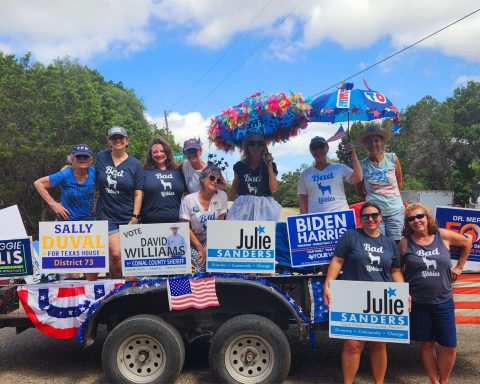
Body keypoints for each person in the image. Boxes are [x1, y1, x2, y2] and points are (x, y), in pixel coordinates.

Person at [324, 202, 404, 384]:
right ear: (361, 219)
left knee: (378, 344)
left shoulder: (389, 243)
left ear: (381, 217)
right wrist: (328, 285)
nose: (370, 219)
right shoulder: (351, 236)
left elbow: (395, 271)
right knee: (353, 344)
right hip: (353, 295)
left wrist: (402, 293)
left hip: (380, 298)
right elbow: (337, 261)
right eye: (366, 216)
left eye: (374, 215)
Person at [399, 203, 472, 384]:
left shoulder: (442, 234)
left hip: (443, 300)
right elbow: (398, 269)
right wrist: (402, 290)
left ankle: (444, 380)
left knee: (449, 346)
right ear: (407, 223)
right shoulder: (405, 242)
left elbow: (467, 242)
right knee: (426, 344)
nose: (416, 221)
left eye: (419, 216)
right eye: (411, 219)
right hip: (418, 302)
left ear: (427, 217)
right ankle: (434, 381)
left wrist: (460, 266)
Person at [94, 126, 144, 279]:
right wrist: (70, 169)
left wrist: (135, 216)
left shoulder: (135, 164)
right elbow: (91, 178)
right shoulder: (101, 157)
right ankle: (116, 289)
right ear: (109, 142)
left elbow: (138, 193)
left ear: (127, 141)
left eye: (121, 137)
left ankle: (126, 291)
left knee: (128, 261)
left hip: (128, 216)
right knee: (115, 254)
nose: (117, 140)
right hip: (107, 216)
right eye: (114, 138)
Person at [356, 124, 404, 241]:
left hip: (395, 211)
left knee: (395, 244)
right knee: (378, 244)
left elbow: (399, 184)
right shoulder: (361, 165)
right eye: (369, 141)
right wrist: (373, 200)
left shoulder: (392, 158)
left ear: (382, 142)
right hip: (374, 214)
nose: (373, 144)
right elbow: (360, 191)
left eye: (376, 140)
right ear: (365, 145)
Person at [180, 165, 228, 272]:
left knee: (212, 263)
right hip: (193, 241)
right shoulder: (189, 200)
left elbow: (220, 224)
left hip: (212, 239)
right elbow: (184, 227)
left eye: (218, 179)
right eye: (212, 178)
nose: (215, 181)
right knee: (198, 265)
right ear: (202, 179)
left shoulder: (222, 196)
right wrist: (199, 247)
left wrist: (208, 247)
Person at [298, 136, 362, 214]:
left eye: (321, 146)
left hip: (341, 214)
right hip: (316, 218)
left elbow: (358, 178)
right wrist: (304, 219)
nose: (318, 150)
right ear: (311, 151)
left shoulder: (340, 168)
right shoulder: (305, 174)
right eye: (314, 147)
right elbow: (303, 200)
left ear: (327, 148)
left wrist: (353, 153)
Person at [227, 132, 281, 221]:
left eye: (260, 143)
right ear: (247, 146)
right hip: (242, 208)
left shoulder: (270, 166)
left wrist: (270, 165)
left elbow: (274, 189)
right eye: (252, 143)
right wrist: (218, 203)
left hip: (263, 208)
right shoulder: (239, 166)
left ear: (264, 147)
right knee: (239, 234)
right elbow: (233, 190)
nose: (256, 146)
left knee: (261, 234)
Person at [34, 144, 95, 221]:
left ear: (91, 160)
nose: (82, 158)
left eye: (85, 156)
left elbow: (107, 185)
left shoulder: (95, 173)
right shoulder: (65, 174)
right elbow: (38, 183)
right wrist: (53, 205)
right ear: (72, 159)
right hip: (66, 223)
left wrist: (100, 203)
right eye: (78, 156)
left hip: (90, 223)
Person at [141, 138, 187, 224]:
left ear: (167, 152)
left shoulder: (179, 171)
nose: (159, 154)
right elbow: (138, 195)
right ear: (150, 155)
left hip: (178, 222)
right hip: (150, 222)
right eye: (155, 152)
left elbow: (188, 194)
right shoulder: (143, 172)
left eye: (162, 151)